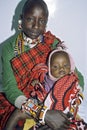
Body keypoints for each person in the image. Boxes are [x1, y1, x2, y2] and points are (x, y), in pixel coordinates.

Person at [0, 0, 84, 130]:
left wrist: (70, 105)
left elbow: (77, 76)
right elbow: (10, 90)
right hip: (22, 104)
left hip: (54, 100)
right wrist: (43, 114)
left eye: (41, 21)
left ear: (46, 23)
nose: (35, 26)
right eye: (30, 19)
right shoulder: (7, 49)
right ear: (21, 19)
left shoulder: (53, 43)